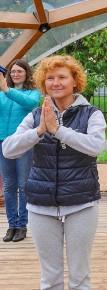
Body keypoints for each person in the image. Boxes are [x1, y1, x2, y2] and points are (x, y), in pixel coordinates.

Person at [2, 55, 106, 289]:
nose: (55, 83)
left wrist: (58, 130)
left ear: (74, 81)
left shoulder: (92, 114)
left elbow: (95, 146)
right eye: (50, 78)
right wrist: (39, 131)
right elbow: (8, 149)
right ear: (43, 83)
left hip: (81, 203)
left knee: (79, 278)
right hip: (40, 204)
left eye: (62, 77)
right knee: (50, 279)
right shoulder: (36, 116)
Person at [0, 59, 40, 242]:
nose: (15, 74)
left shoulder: (32, 93)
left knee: (23, 184)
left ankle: (22, 225)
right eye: (13, 71)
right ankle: (12, 225)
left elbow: (30, 104)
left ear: (26, 73)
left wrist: (8, 91)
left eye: (19, 71)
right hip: (4, 142)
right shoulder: (2, 94)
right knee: (8, 185)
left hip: (22, 143)